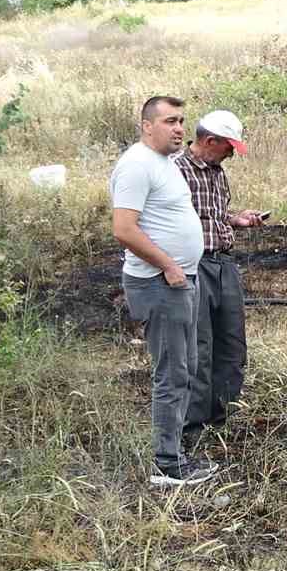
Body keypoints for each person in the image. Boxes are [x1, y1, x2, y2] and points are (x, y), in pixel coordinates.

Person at [111, 95, 217, 487]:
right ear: (147, 126)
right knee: (172, 373)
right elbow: (123, 229)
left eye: (181, 121)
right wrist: (169, 266)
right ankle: (167, 465)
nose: (178, 128)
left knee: (185, 367)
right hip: (161, 282)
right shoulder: (137, 166)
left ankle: (174, 452)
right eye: (170, 121)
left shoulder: (166, 163)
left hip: (180, 279)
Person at [174, 109, 262, 448]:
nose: (231, 154)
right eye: (228, 147)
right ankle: (192, 429)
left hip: (223, 264)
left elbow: (212, 212)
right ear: (210, 141)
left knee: (232, 344)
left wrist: (235, 219)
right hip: (193, 266)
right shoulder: (176, 171)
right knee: (200, 346)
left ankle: (221, 417)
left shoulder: (216, 172)